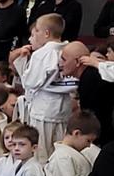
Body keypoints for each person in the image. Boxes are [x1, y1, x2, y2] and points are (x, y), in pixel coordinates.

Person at [10, 17, 76, 161]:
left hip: (43, 111)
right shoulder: (69, 49)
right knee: (59, 149)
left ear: (46, 33)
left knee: (42, 153)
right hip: (63, 109)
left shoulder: (42, 54)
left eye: (37, 31)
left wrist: (23, 63)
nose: (32, 37)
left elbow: (30, 82)